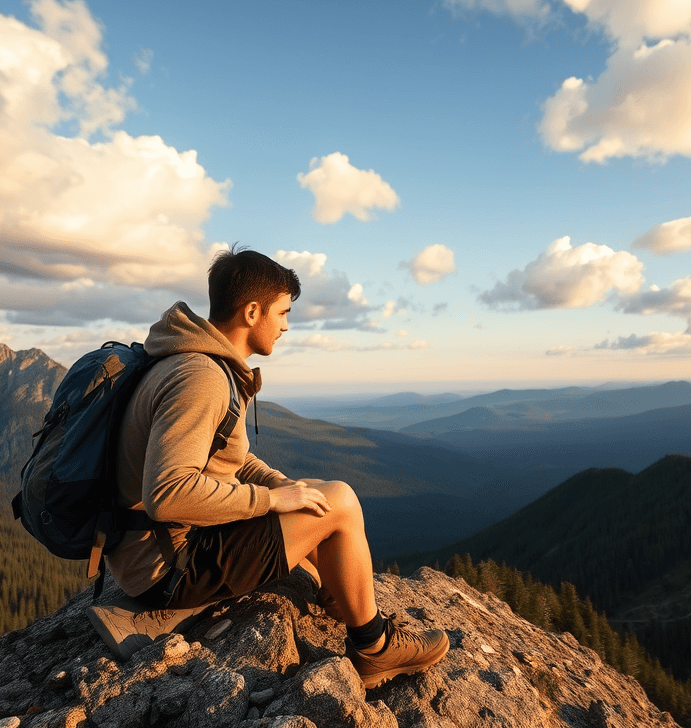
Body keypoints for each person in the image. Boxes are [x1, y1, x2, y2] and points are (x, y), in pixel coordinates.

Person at [87, 246, 449, 688]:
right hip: (168, 566)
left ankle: (340, 592)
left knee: (318, 494)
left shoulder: (194, 361)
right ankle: (374, 647)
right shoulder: (201, 377)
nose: (286, 325)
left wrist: (284, 486)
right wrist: (272, 500)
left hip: (159, 551)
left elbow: (227, 459)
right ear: (253, 311)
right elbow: (167, 494)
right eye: (282, 312)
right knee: (341, 499)